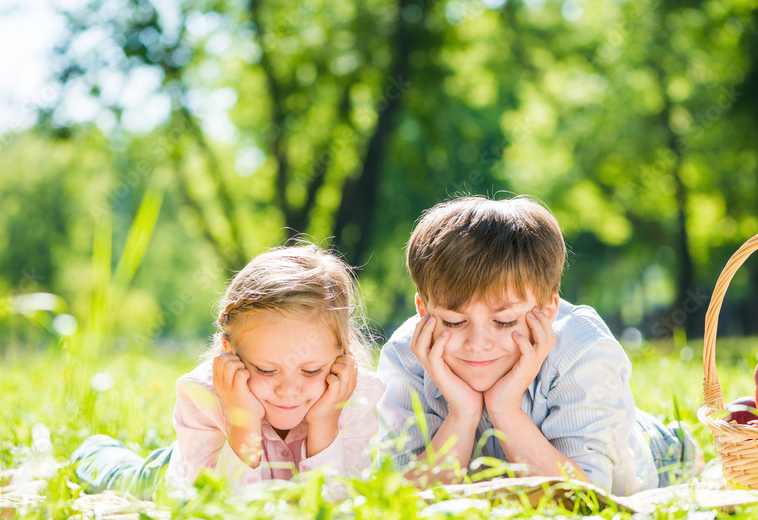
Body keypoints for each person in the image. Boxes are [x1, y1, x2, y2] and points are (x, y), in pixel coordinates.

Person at [377, 195, 696, 494]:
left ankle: (674, 439)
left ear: (547, 310)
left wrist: (505, 409)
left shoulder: (582, 348)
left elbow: (586, 497)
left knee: (663, 444)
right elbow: (402, 497)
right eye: (453, 321)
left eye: (504, 322)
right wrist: (462, 413)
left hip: (646, 454)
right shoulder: (408, 356)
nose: (478, 344)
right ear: (423, 310)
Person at [71, 245, 385, 498]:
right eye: (265, 369)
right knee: (129, 478)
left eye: (311, 370)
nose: (288, 389)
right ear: (229, 354)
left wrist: (324, 423)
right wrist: (242, 419)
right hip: (188, 469)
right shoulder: (204, 396)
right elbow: (222, 505)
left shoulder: (352, 399)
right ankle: (94, 450)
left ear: (340, 356)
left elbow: (337, 505)